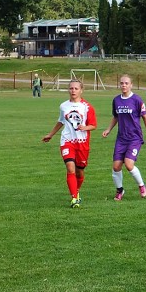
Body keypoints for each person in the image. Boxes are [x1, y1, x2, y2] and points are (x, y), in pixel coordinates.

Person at [42, 79, 97, 208]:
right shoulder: (63, 106)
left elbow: (93, 125)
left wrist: (85, 128)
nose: (73, 91)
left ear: (81, 90)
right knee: (70, 168)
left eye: (76, 88)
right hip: (67, 141)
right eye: (71, 88)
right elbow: (61, 121)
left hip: (82, 143)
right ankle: (74, 198)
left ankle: (76, 191)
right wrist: (51, 134)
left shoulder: (87, 107)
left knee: (80, 172)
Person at [102, 74, 146, 200]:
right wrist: (108, 129)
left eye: (126, 83)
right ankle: (120, 191)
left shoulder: (136, 100)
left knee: (129, 164)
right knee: (116, 166)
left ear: (131, 85)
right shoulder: (116, 100)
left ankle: (141, 185)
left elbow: (145, 117)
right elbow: (116, 117)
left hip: (134, 138)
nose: (124, 85)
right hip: (121, 138)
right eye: (122, 83)